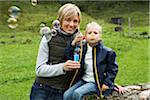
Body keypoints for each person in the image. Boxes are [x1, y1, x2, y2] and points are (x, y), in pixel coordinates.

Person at [30, 3, 82, 100]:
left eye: (75, 21)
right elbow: (39, 70)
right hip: (42, 90)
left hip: (62, 92)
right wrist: (63, 67)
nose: (71, 25)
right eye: (68, 20)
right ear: (60, 20)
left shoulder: (81, 40)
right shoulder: (49, 37)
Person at [63, 22, 119, 100]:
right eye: (89, 33)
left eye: (95, 33)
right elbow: (68, 56)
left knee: (77, 93)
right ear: (85, 36)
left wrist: (107, 83)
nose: (92, 35)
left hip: (96, 82)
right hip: (84, 79)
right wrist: (73, 44)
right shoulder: (82, 49)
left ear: (100, 36)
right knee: (67, 95)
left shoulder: (107, 52)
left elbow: (113, 69)